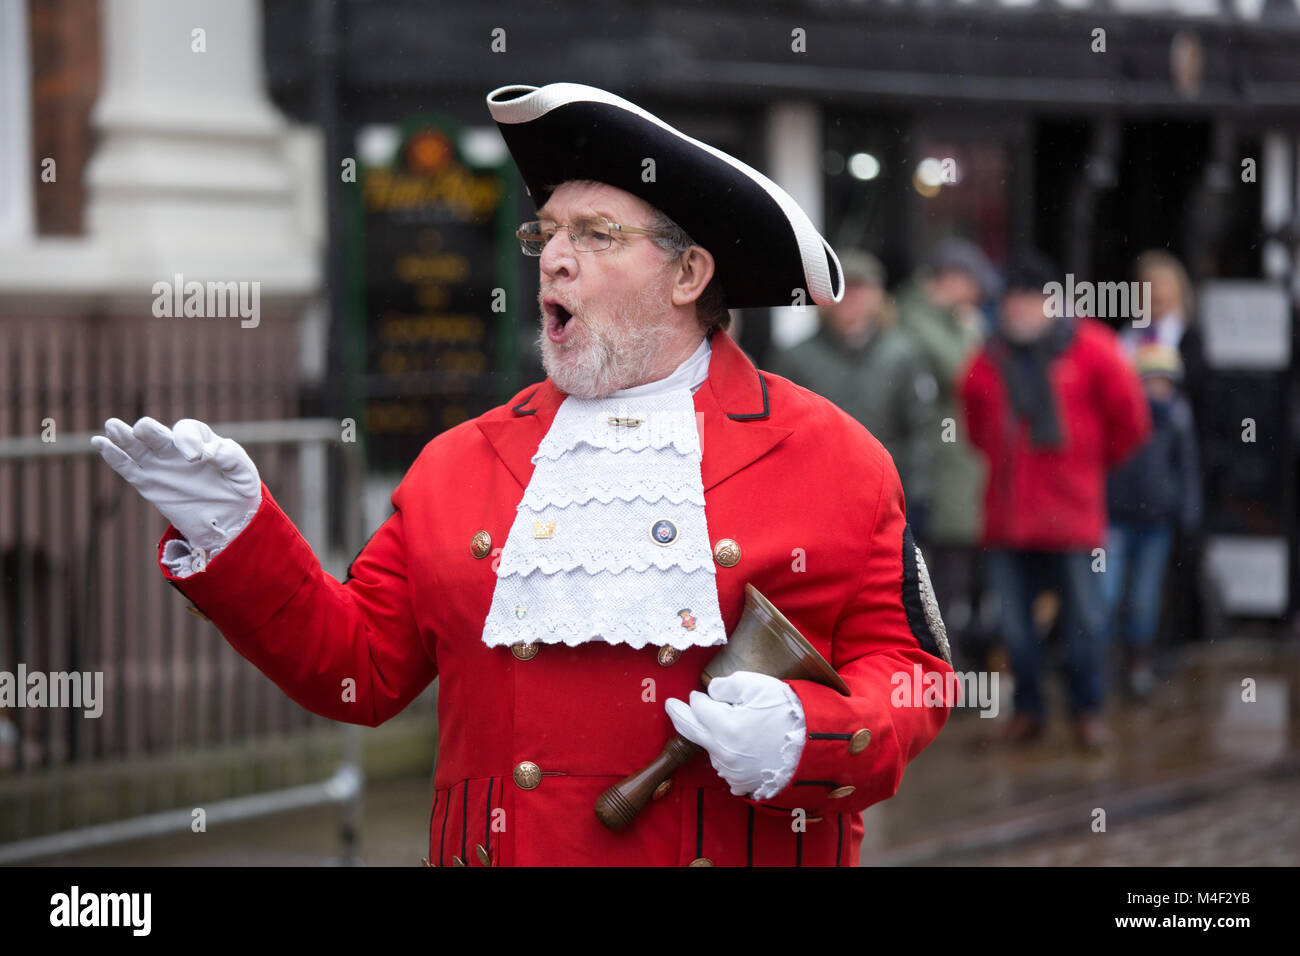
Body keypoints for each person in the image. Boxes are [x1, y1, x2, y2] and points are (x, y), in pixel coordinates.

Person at [92, 82, 954, 867]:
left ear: (690, 274)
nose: (553, 258)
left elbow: (910, 673)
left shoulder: (831, 455)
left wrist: (814, 734)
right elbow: (355, 670)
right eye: (547, 234)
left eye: (595, 235)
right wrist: (235, 536)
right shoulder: (460, 462)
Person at [961, 251, 1150, 752]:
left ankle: (1088, 711)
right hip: (1007, 520)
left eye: (1030, 300)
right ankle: (1028, 711)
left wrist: (1083, 469)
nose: (1019, 311)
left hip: (1074, 519)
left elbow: (1130, 423)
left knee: (1086, 622)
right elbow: (975, 423)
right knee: (1016, 627)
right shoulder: (989, 357)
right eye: (1011, 302)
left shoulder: (1093, 349)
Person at [765, 250, 938, 527]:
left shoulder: (904, 354)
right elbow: (776, 430)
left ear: (878, 296)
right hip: (816, 495)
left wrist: (916, 493)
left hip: (885, 494)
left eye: (861, 289)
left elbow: (921, 428)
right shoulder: (796, 357)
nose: (851, 300)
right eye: (843, 290)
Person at [896, 238, 996, 671]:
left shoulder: (948, 320)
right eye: (970, 284)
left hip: (956, 468)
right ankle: (941, 668)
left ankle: (955, 664)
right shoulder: (915, 319)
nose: (975, 297)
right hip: (931, 470)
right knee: (934, 578)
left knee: (959, 574)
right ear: (950, 279)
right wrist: (973, 332)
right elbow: (967, 372)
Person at [1101, 344, 1201, 699]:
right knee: (1106, 594)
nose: (1157, 389)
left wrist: (1187, 513)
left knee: (1144, 597)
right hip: (1116, 518)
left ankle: (1137, 663)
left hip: (1155, 521)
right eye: (1150, 380)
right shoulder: (1121, 413)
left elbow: (1187, 469)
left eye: (1164, 381)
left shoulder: (1177, 419)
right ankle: (1104, 663)